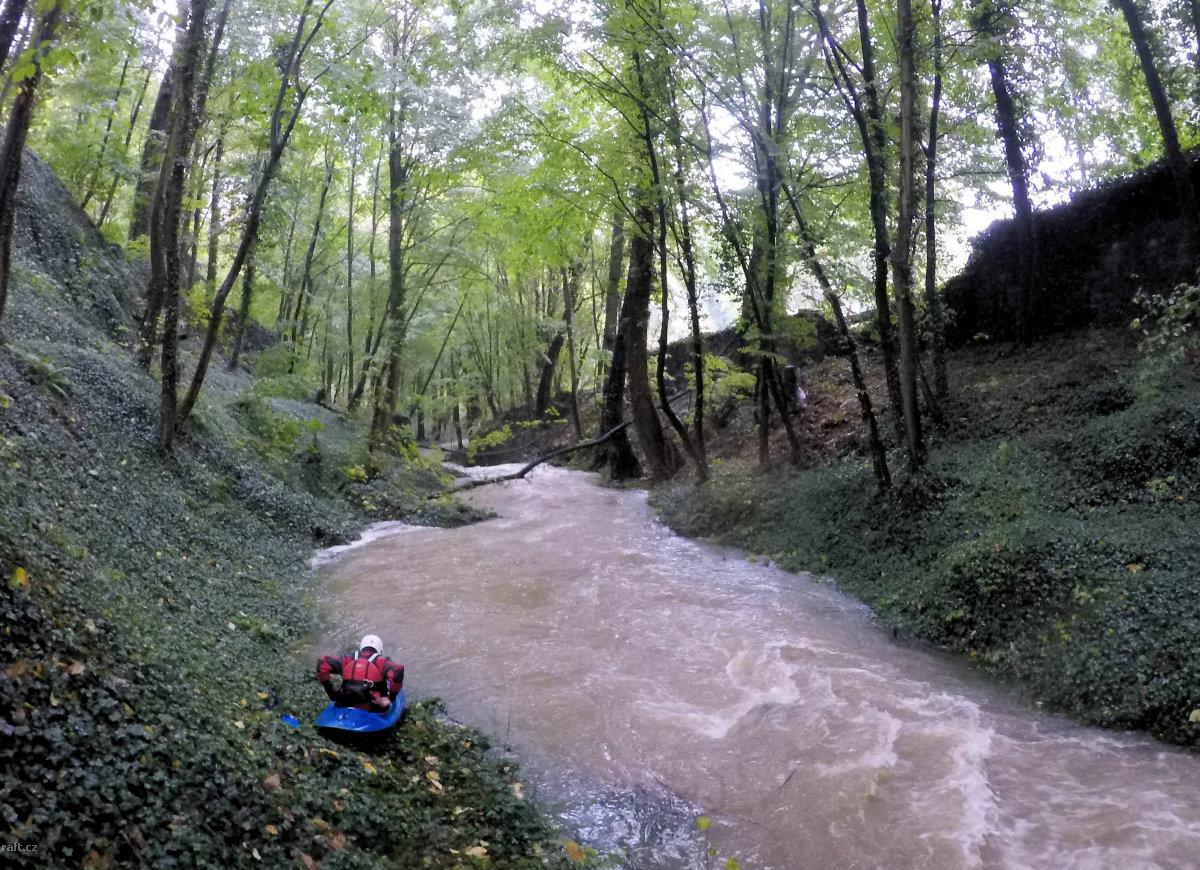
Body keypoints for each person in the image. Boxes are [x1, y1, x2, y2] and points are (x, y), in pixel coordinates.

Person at [316, 634, 404, 712]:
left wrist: (330, 691)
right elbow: (398, 669)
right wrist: (390, 698)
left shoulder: (347, 658)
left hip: (344, 701)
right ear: (380, 649)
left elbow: (322, 662)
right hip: (374, 705)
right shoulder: (381, 661)